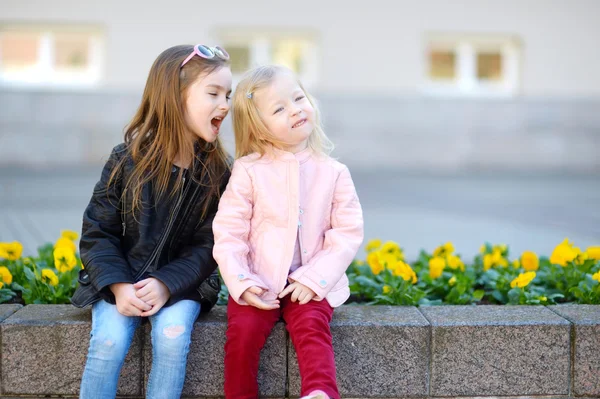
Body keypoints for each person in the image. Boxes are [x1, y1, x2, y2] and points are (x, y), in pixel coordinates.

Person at [71, 44, 232, 399]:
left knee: (172, 338)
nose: (225, 105)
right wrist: (118, 286)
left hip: (182, 285)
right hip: (119, 281)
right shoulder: (126, 161)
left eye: (228, 94)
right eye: (214, 93)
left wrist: (166, 283)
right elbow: (98, 233)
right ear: (175, 97)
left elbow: (210, 244)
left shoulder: (219, 171)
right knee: (109, 342)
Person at [213, 65, 364, 399]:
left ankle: (320, 391)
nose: (295, 109)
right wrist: (242, 280)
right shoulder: (249, 171)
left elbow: (346, 232)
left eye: (298, 98)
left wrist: (315, 278)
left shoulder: (334, 172)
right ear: (260, 129)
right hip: (259, 280)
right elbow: (229, 231)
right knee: (242, 334)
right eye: (279, 108)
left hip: (311, 281)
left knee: (311, 325)